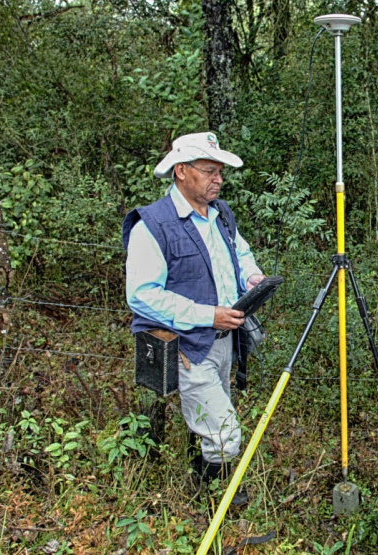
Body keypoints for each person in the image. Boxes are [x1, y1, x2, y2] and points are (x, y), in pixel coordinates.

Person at [122, 132, 265, 496]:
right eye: (209, 171)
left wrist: (251, 276)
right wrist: (207, 315)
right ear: (181, 171)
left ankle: (199, 483)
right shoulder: (151, 226)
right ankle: (214, 500)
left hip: (224, 341)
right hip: (188, 347)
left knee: (209, 418)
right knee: (225, 433)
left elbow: (241, 252)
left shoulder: (221, 215)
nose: (218, 179)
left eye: (220, 172)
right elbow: (141, 295)